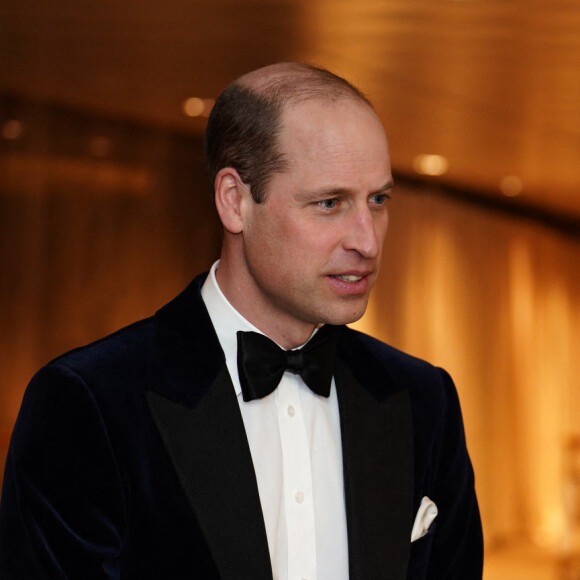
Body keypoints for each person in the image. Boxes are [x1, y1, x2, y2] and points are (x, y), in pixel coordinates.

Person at [0, 62, 483, 579]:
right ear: (235, 202)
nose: (367, 241)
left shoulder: (423, 400)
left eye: (378, 200)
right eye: (329, 203)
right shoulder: (89, 402)